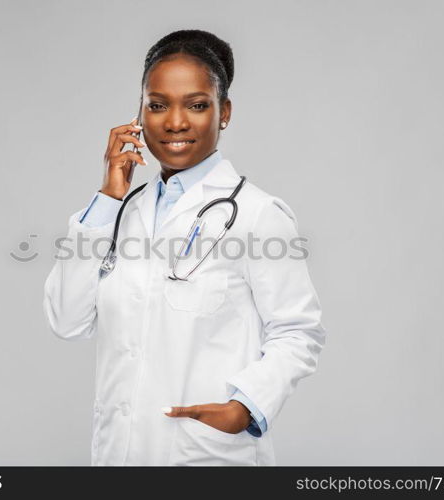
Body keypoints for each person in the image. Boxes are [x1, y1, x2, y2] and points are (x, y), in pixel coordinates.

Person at [43, 29, 326, 466]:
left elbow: (298, 331)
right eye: (157, 105)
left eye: (197, 105)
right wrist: (106, 199)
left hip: (206, 456)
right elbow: (66, 319)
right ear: (140, 113)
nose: (175, 122)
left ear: (224, 112)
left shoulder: (256, 214)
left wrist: (247, 406)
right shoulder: (119, 212)